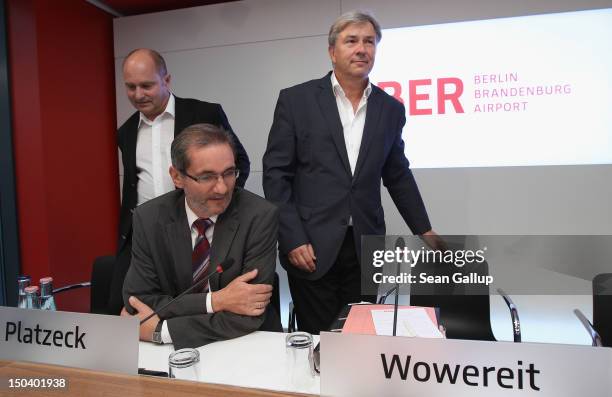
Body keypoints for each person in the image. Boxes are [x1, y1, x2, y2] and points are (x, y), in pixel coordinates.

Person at [262, 11, 442, 334]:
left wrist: (424, 230)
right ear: (332, 51)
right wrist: (291, 238)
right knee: (320, 341)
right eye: (352, 41)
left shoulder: (391, 109)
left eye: (369, 42)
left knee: (361, 339)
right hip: (310, 247)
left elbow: (398, 174)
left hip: (364, 246)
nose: (362, 49)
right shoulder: (296, 101)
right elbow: (276, 175)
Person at [108, 48, 251, 315]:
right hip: (149, 235)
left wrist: (220, 206)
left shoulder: (204, 112)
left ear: (167, 80)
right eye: (131, 87)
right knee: (136, 308)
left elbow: (240, 163)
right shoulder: (125, 131)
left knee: (206, 304)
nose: (138, 94)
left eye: (147, 85)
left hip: (201, 229)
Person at [121, 123, 279, 349]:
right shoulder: (148, 219)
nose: (222, 188)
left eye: (229, 173)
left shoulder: (259, 216)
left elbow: (249, 314)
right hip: (169, 356)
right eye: (207, 177)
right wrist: (215, 301)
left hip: (246, 344)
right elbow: (138, 301)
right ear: (177, 177)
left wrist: (162, 330)